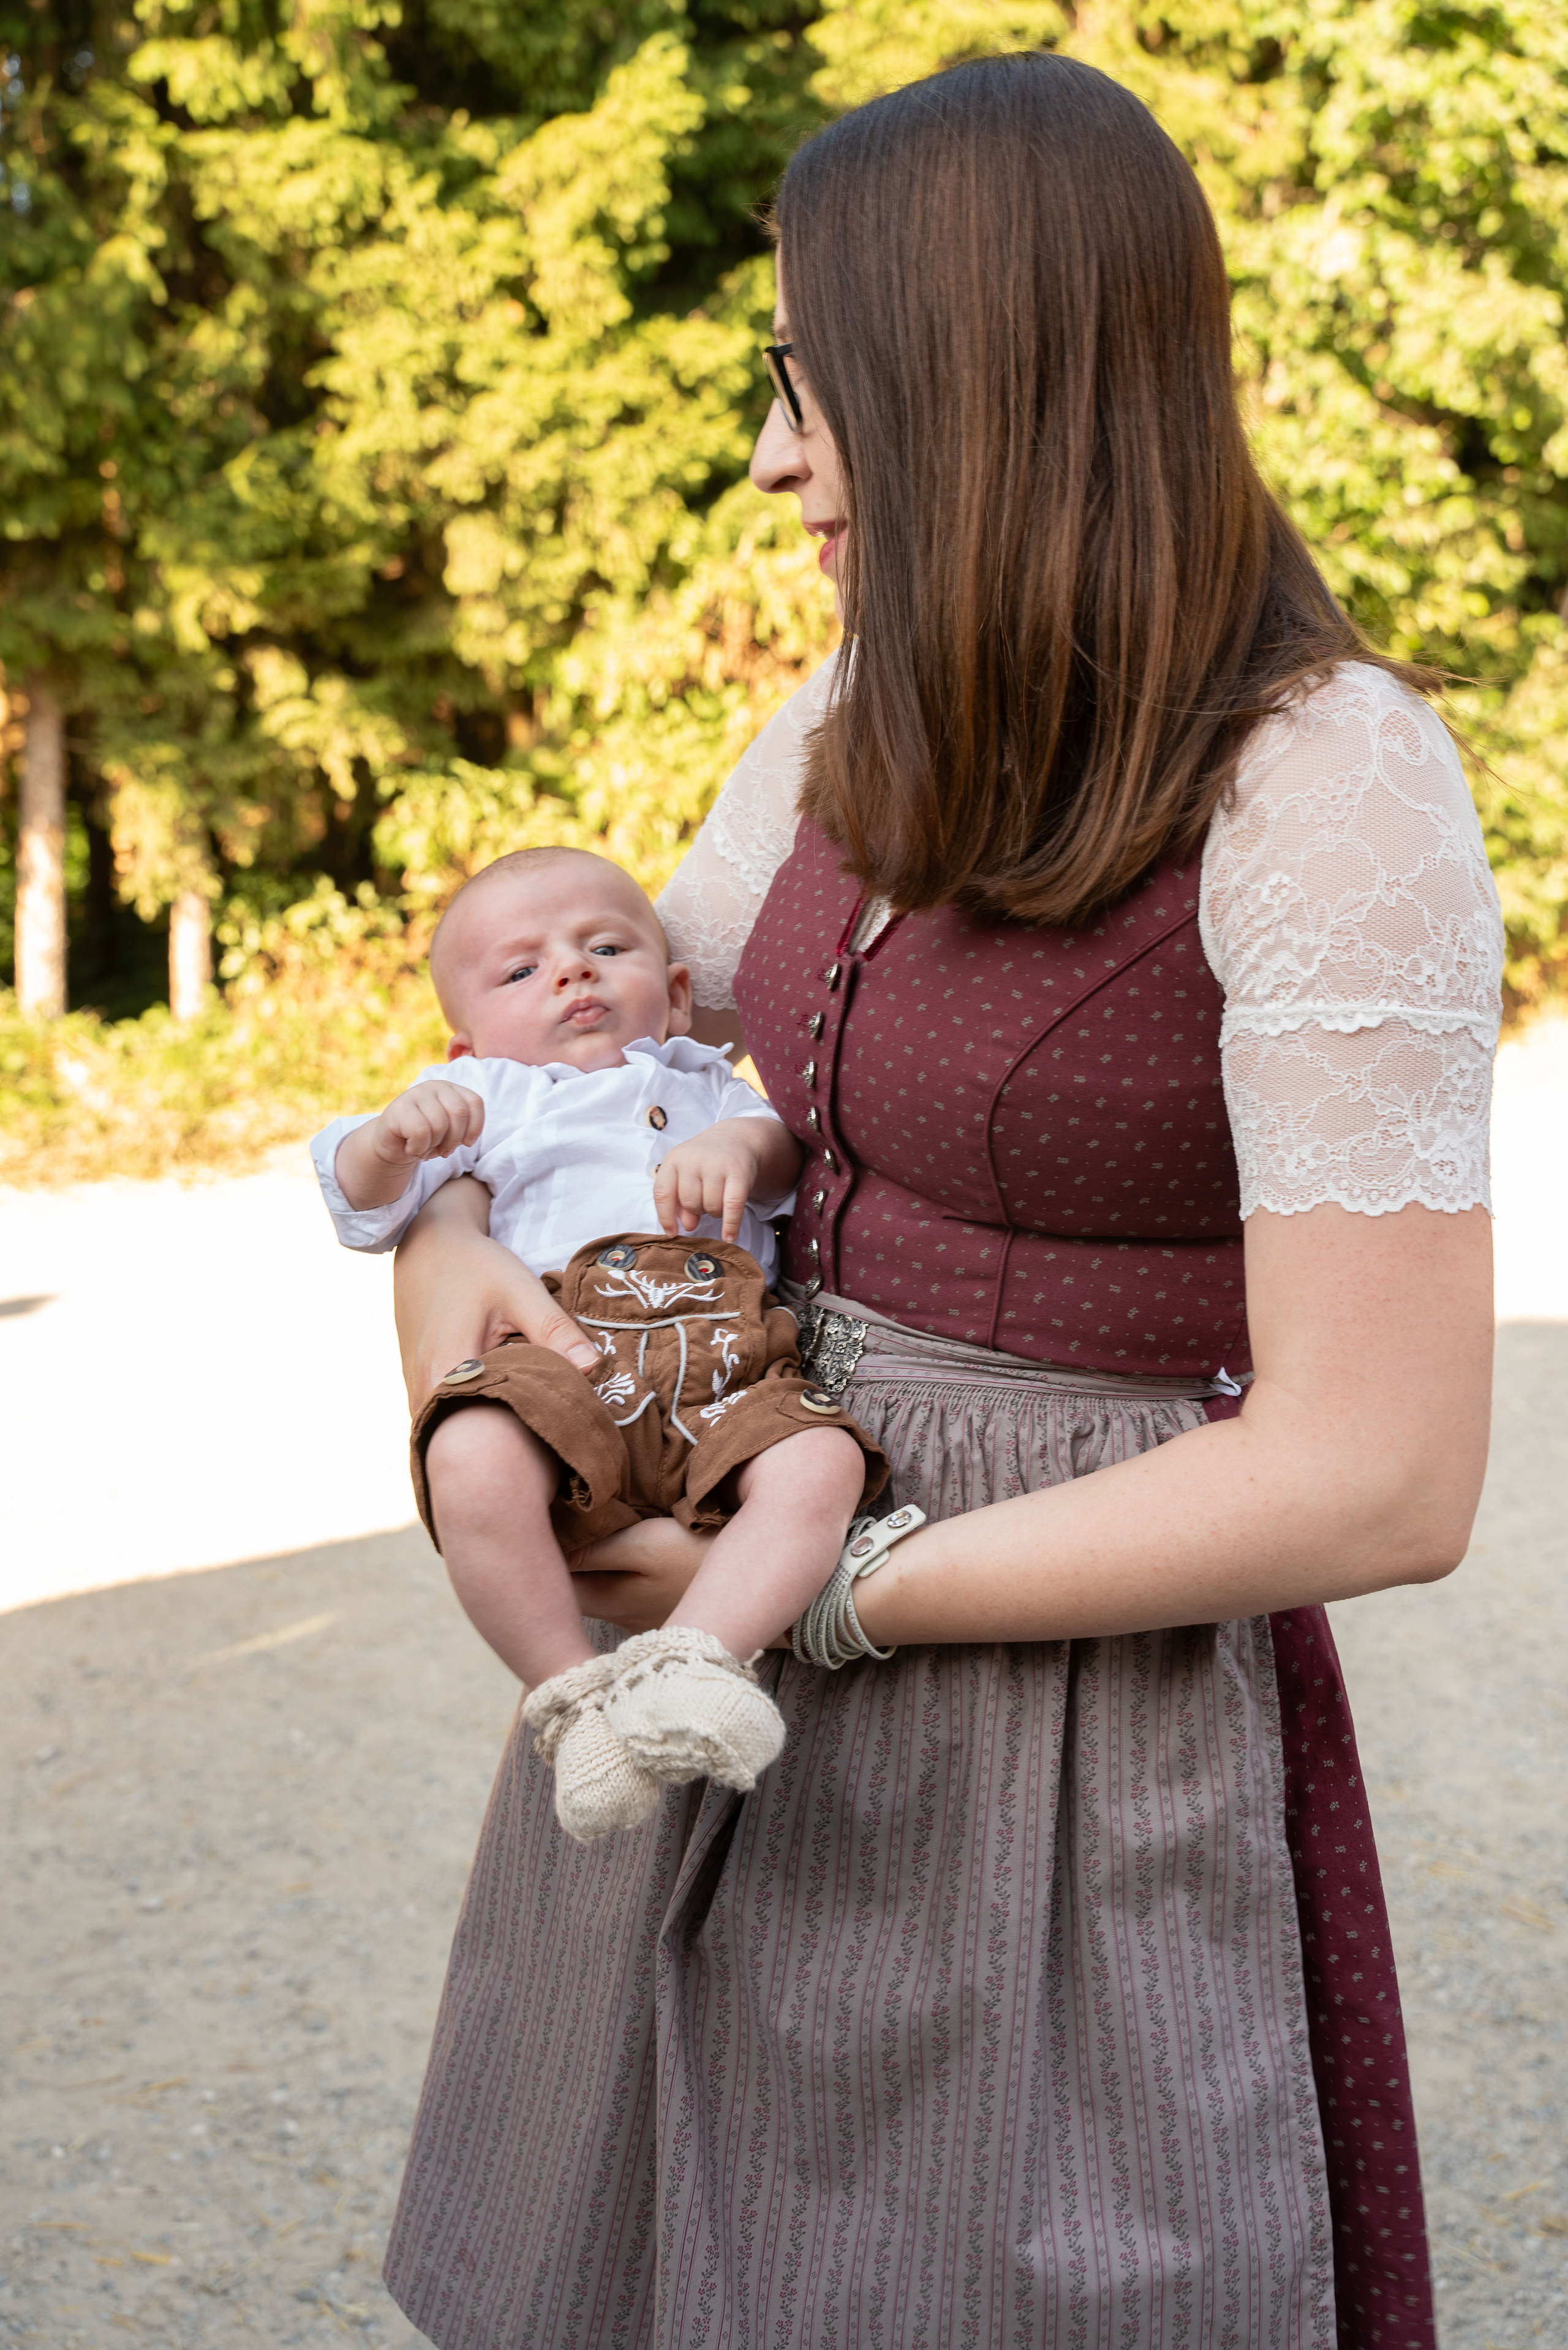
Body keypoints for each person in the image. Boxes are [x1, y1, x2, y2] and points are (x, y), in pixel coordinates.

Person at [379, 53, 1499, 2350]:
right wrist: (490, 1404)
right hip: (705, 1617)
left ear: (976, 382)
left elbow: (1385, 1473)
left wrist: (839, 1580)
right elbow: (539, 1101)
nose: (776, 456)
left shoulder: (1329, 779)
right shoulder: (838, 715)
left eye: (809, 385)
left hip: (1055, 1731)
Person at [311, 847, 887, 1840]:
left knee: (821, 1459)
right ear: (466, 1040)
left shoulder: (709, 1081)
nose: (571, 971)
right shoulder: (484, 1098)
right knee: (469, 1454)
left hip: (724, 1359)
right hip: (557, 1364)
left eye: (603, 946)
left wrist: (735, 1146)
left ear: (670, 995)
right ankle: (572, 1696)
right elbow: (358, 1203)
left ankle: (697, 1660)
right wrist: (393, 1136)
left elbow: (786, 1153)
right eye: (522, 969)